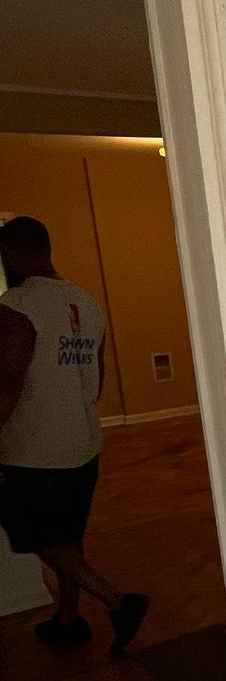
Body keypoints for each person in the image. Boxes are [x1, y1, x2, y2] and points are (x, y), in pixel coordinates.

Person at [0, 216, 148, 653]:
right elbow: (94, 384)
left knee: (36, 535)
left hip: (32, 451)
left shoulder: (16, 307)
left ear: (8, 253)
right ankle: (68, 619)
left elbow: (8, 382)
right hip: (83, 443)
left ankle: (118, 602)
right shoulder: (87, 303)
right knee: (68, 535)